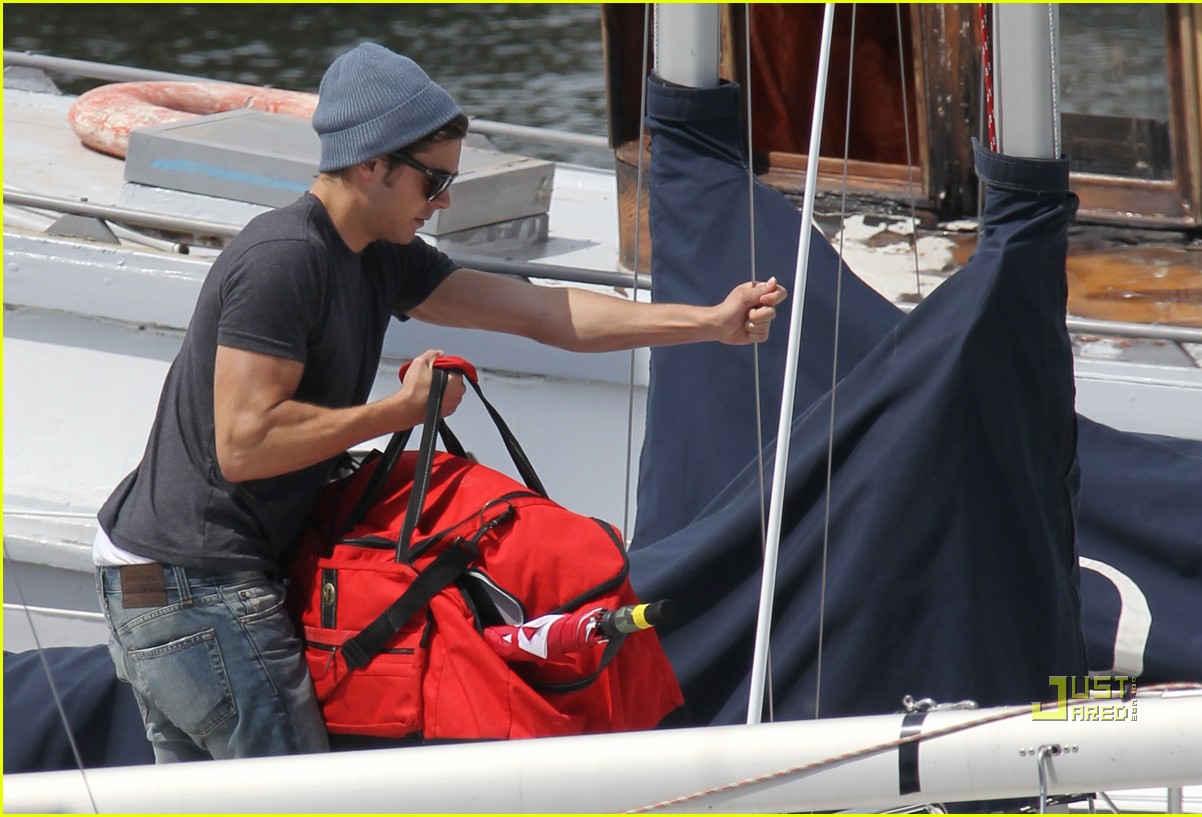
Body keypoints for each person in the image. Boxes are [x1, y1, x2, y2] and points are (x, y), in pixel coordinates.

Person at [94, 41, 787, 762]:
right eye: (432, 182)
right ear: (371, 165)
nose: (445, 201)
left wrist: (707, 322)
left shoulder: (377, 254)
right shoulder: (285, 259)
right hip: (194, 585)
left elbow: (544, 314)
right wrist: (398, 411)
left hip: (171, 583)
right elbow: (244, 444)